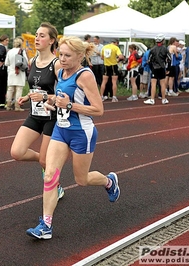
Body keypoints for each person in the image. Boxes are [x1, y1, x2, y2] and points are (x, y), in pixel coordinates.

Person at [26, 36, 120, 240]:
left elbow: (98, 110)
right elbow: (61, 98)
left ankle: (109, 182)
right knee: (50, 174)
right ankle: (46, 225)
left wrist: (69, 106)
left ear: (80, 56)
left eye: (67, 55)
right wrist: (47, 99)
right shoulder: (60, 71)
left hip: (81, 132)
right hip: (61, 130)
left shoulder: (85, 75)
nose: (62, 58)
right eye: (60, 54)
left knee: (81, 179)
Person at [11, 22, 64, 201]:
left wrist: (45, 98)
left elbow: (62, 94)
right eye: (36, 35)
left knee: (45, 162)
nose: (37, 38)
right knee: (17, 152)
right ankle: (44, 159)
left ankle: (57, 187)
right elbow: (36, 87)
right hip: (35, 114)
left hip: (52, 116)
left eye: (42, 35)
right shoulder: (32, 61)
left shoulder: (57, 64)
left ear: (51, 41)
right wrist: (28, 97)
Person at [144, 34, 171, 105]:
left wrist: (151, 68)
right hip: (162, 68)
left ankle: (152, 99)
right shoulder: (165, 49)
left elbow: (149, 60)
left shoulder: (152, 49)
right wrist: (168, 68)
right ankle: (164, 99)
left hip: (154, 68)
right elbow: (169, 59)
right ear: (163, 40)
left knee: (153, 84)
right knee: (162, 84)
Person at [4, 37, 28, 111]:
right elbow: (26, 61)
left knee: (10, 89)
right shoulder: (22, 51)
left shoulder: (10, 51)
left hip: (11, 72)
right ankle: (17, 106)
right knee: (19, 89)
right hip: (19, 72)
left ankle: (8, 105)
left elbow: (6, 63)